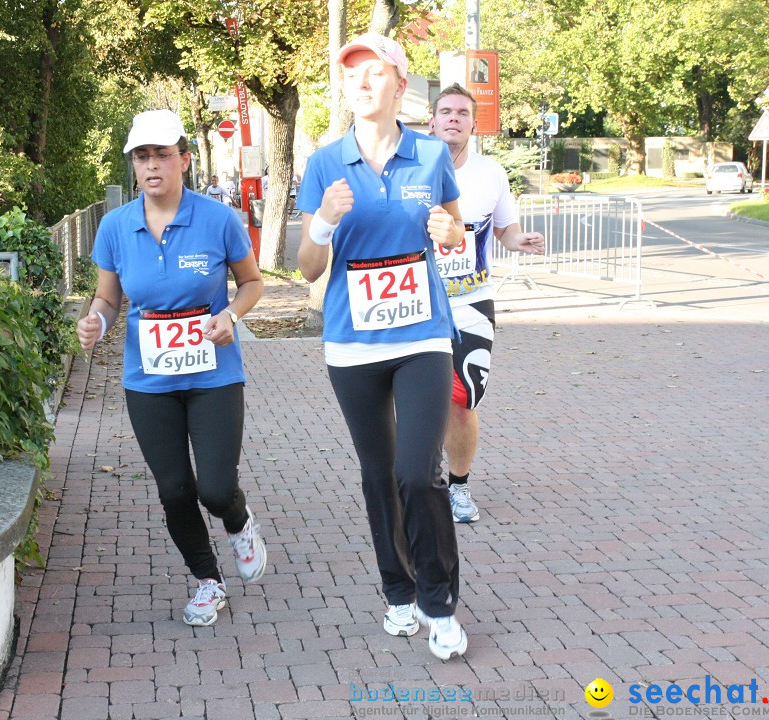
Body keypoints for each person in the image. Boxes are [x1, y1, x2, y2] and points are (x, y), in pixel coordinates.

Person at [296, 33, 468, 661]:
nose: (362, 84)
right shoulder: (323, 164)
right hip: (353, 344)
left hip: (422, 335)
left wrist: (450, 231)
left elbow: (452, 231)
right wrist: (322, 221)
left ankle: (438, 600)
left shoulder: (429, 154)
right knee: (377, 477)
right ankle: (397, 593)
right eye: (352, 77)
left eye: (374, 74)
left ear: (400, 83)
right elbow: (308, 268)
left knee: (416, 474)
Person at [77, 109, 267, 627]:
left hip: (214, 375)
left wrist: (231, 314)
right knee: (174, 490)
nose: (152, 165)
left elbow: (252, 283)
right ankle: (208, 580)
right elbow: (108, 299)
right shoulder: (116, 226)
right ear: (133, 166)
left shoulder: (217, 219)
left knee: (214, 488)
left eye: (162, 154)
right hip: (149, 380)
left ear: (184, 159)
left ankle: (238, 518)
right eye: (142, 156)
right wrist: (94, 320)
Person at [427, 83, 545, 523]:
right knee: (415, 397)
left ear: (474, 124)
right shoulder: (411, 168)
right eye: (446, 111)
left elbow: (504, 230)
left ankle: (459, 487)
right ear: (432, 121)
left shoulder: (490, 172)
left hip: (472, 302)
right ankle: (421, 481)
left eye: (462, 112)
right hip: (419, 304)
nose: (453, 118)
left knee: (463, 401)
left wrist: (521, 241)